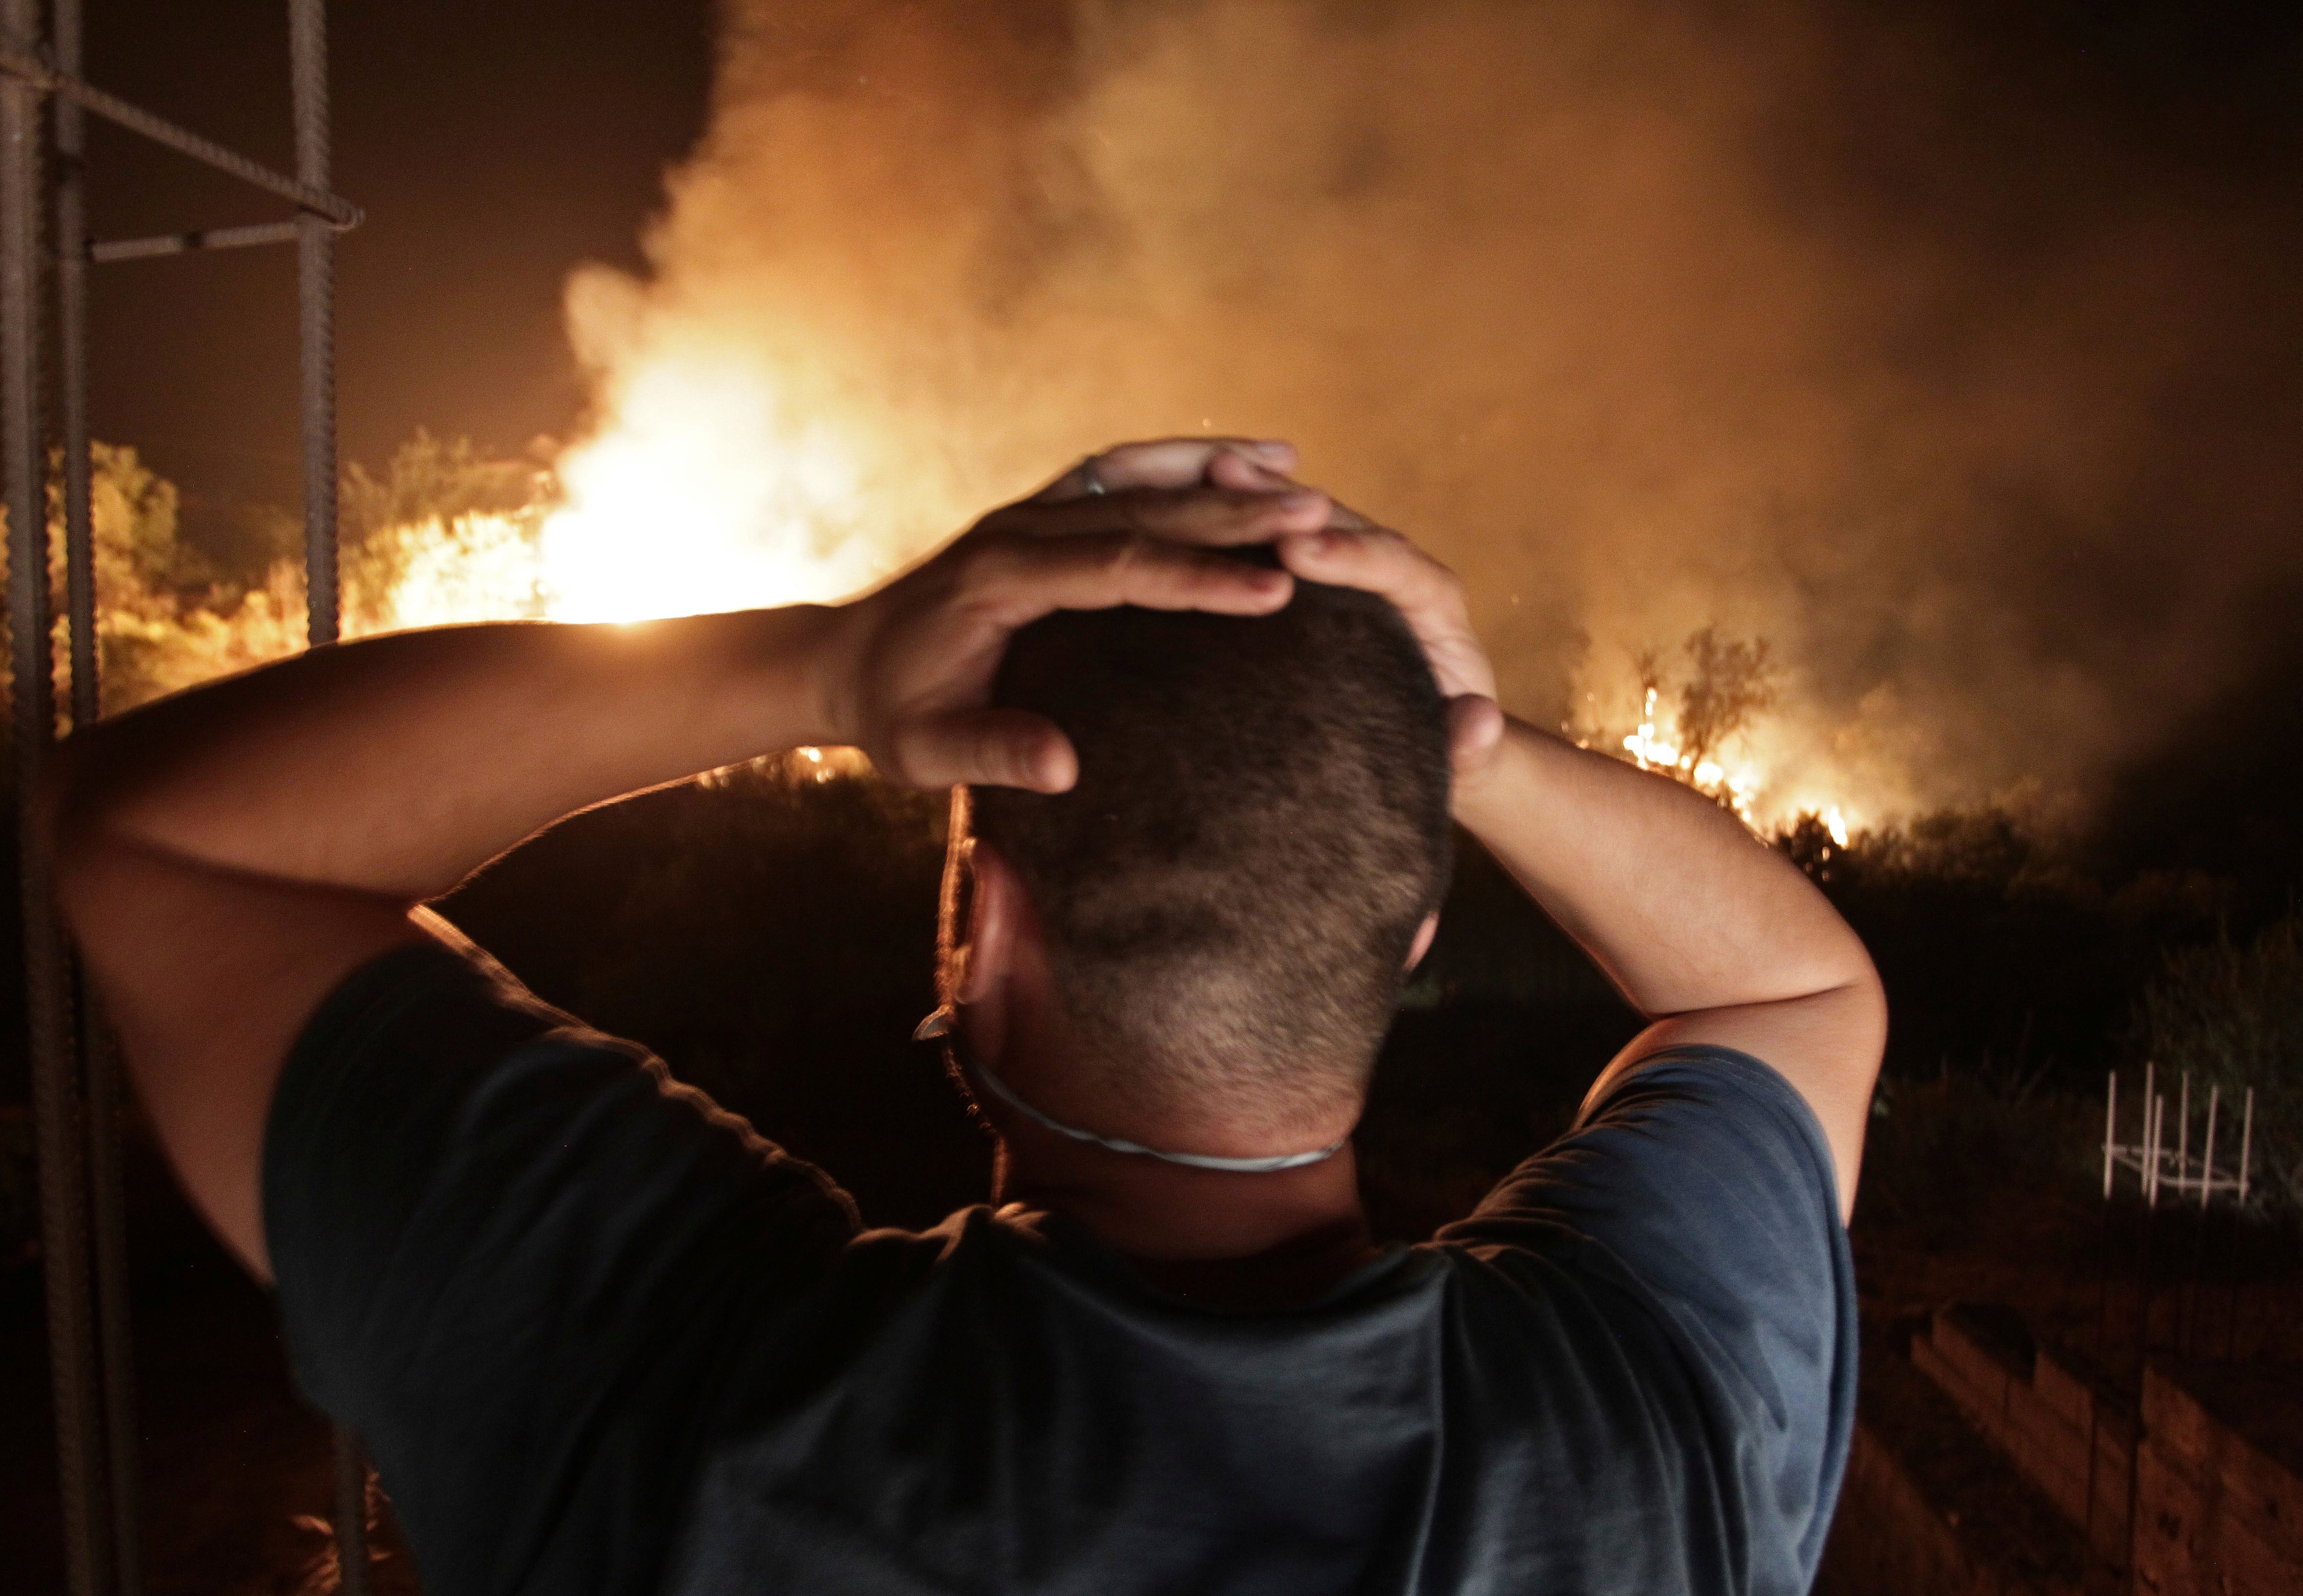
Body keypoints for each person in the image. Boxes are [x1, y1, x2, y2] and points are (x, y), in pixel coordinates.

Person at [54, 436, 1883, 1596]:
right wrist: (1457, 742)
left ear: (981, 924)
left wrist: (827, 664)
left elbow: (156, 842)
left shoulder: (681, 1395)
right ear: (1408, 931)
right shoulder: (1652, 1425)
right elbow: (1791, 987)